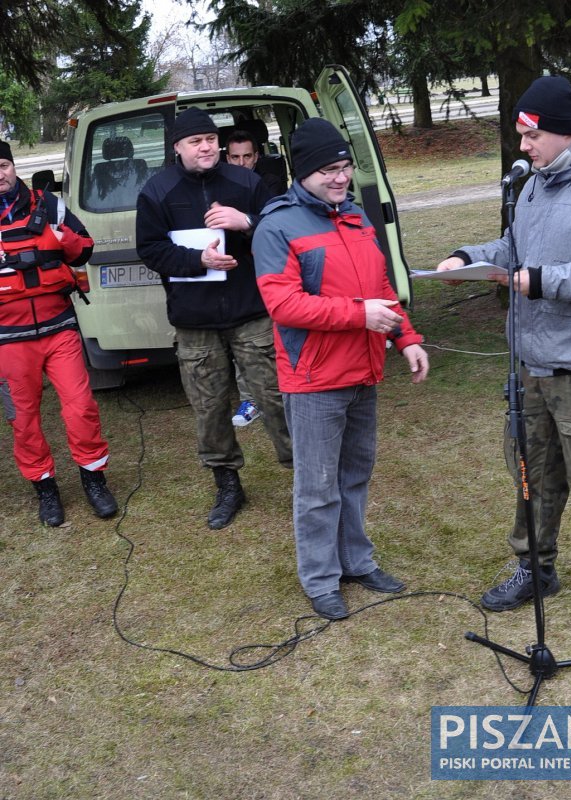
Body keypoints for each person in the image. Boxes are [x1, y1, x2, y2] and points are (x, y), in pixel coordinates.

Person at [437, 76, 571, 634]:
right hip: (532, 363)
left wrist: (544, 280)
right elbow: (515, 249)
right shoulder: (533, 184)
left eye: (530, 135)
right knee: (532, 474)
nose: (523, 147)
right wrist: (470, 256)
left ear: (562, 132)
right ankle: (535, 568)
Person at [253, 118, 429, 620]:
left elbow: (382, 290)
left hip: (363, 372)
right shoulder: (277, 225)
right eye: (329, 169)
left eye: (345, 167)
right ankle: (320, 579)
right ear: (304, 171)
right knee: (316, 487)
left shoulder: (355, 218)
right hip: (313, 380)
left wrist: (405, 337)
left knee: (354, 476)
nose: (340, 177)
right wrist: (360, 314)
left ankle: (355, 561)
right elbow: (283, 304)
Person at [135, 107, 292, 530]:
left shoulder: (245, 181)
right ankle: (227, 483)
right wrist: (196, 259)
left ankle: (304, 474)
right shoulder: (158, 190)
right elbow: (149, 249)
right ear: (177, 148)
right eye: (194, 141)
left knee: (275, 394)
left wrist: (248, 222)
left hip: (251, 309)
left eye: (209, 139)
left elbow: (286, 227)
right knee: (208, 406)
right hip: (195, 318)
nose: (205, 147)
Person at [0, 140, 118, 526]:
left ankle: (93, 479)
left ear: (13, 167)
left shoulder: (50, 205)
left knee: (81, 406)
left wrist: (61, 237)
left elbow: (84, 250)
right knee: (24, 419)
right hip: (8, 339)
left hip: (59, 328)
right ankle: (45, 488)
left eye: (2, 165)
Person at [225, 130, 284, 428]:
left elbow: (278, 222)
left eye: (247, 156)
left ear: (257, 157)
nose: (242, 162)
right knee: (242, 339)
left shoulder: (268, 185)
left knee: (273, 336)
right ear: (226, 158)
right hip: (235, 272)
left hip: (268, 268)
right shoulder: (217, 186)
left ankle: (281, 393)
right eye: (235, 157)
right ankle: (249, 398)